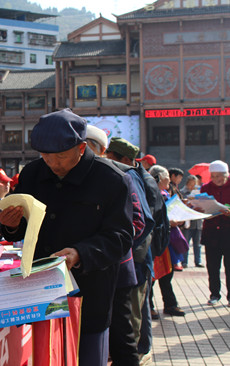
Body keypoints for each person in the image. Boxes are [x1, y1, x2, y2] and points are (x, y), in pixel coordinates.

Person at [0, 109, 133, 366]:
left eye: (61, 156)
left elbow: (121, 236)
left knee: (87, 355)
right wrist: (11, 225)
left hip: (88, 289)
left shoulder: (112, 179)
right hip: (40, 288)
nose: (53, 164)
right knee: (43, 355)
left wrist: (80, 253)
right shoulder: (32, 174)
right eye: (46, 156)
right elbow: (23, 226)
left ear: (81, 147)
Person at [103, 136, 155, 366]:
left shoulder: (127, 175)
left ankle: (137, 352)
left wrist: (119, 247)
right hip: (135, 256)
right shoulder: (134, 173)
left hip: (133, 258)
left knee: (130, 318)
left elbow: (141, 222)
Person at [148, 165, 186, 317]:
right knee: (151, 276)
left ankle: (170, 304)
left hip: (166, 241)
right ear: (158, 179)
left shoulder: (165, 193)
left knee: (166, 274)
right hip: (155, 241)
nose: (169, 182)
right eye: (166, 179)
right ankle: (149, 306)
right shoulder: (151, 193)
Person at [198, 160, 230, 306]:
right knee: (212, 266)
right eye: (214, 176)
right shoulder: (205, 188)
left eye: (220, 176)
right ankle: (214, 294)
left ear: (226, 175)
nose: (217, 179)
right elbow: (200, 207)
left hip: (227, 232)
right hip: (211, 233)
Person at [180, 175, 204, 268]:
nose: (192, 186)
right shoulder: (182, 192)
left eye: (194, 184)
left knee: (198, 243)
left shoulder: (199, 192)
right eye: (191, 184)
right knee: (186, 243)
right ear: (187, 183)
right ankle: (184, 262)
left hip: (198, 221)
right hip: (188, 221)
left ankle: (198, 261)